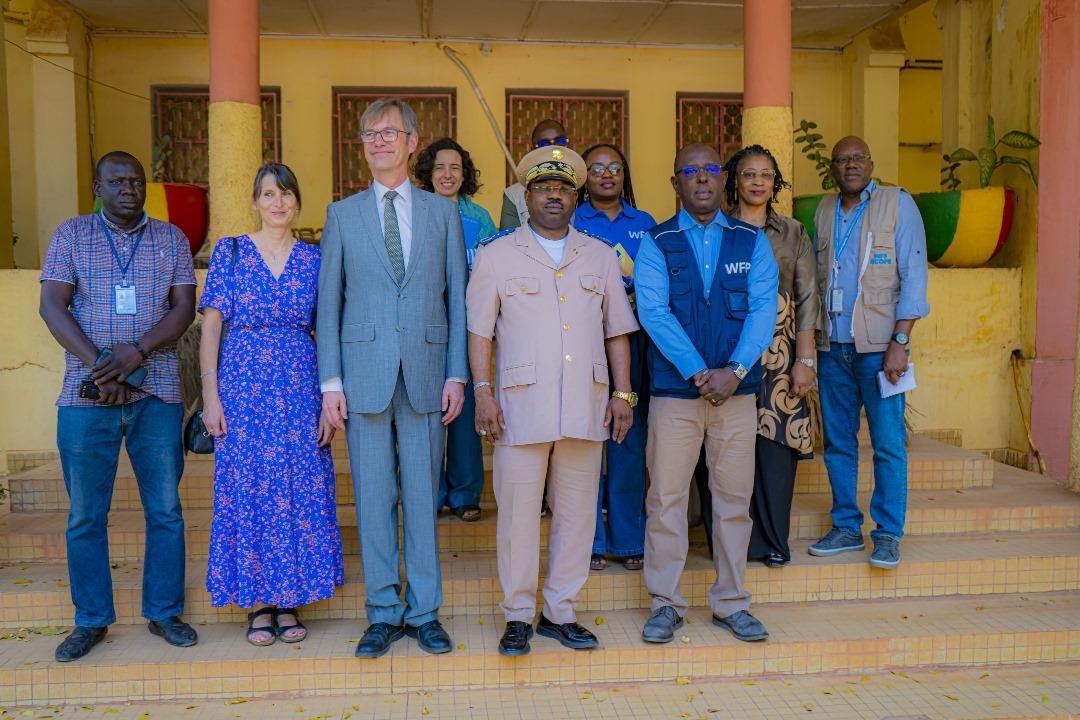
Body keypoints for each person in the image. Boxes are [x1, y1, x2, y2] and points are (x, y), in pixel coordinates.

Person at [466, 145, 638, 657]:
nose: (554, 197)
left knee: (578, 514)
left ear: (575, 195)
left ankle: (559, 612)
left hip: (587, 405)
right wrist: (481, 392)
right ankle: (517, 615)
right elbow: (479, 333)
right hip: (520, 406)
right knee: (518, 515)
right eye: (543, 188)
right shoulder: (496, 255)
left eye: (563, 188)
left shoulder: (600, 254)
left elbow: (617, 334)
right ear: (526, 195)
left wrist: (623, 393)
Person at [317, 98, 468, 658]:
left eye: (389, 132)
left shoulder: (441, 212)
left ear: (411, 141)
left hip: (429, 374)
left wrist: (458, 373)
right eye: (368, 134)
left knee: (423, 495)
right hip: (362, 376)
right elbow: (327, 305)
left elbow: (458, 301)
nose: (378, 141)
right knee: (374, 495)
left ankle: (425, 610)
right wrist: (330, 383)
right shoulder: (342, 214)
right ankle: (383, 611)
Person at [38, 151, 197, 662]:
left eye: (136, 181)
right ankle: (90, 620)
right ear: (97, 187)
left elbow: (183, 310)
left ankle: (164, 611)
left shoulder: (171, 239)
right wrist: (102, 365)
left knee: (166, 510)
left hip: (159, 394)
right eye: (117, 181)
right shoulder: (70, 235)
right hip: (86, 397)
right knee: (86, 515)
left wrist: (137, 354)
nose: (129, 188)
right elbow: (51, 305)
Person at [635, 143, 778, 645]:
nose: (701, 178)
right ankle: (665, 603)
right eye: (689, 171)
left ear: (726, 181)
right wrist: (701, 372)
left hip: (737, 396)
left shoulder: (750, 241)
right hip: (677, 395)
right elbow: (653, 312)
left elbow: (764, 310)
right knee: (667, 498)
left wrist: (735, 371)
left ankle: (732, 602)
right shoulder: (657, 242)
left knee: (733, 500)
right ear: (674, 183)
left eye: (710, 170)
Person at [199, 163, 344, 646]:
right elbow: (212, 329)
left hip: (300, 383)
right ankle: (259, 602)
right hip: (241, 385)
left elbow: (327, 331)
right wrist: (210, 398)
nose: (278, 202)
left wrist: (329, 398)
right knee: (250, 487)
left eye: (285, 194)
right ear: (255, 201)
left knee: (298, 488)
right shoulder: (231, 251)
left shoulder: (313, 258)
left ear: (297, 201)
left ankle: (290, 599)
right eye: (267, 194)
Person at [808, 136, 930, 569]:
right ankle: (845, 526)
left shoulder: (898, 204)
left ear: (871, 163)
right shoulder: (823, 210)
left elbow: (914, 275)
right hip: (831, 347)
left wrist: (900, 341)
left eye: (858, 157)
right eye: (842, 160)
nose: (851, 165)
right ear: (833, 168)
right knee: (838, 442)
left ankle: (887, 533)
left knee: (887, 443)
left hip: (879, 350)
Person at [722, 145, 820, 568]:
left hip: (780, 350)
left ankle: (773, 541)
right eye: (749, 174)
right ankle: (732, 543)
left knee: (775, 445)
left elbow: (807, 297)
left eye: (766, 174)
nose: (758, 182)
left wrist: (806, 360)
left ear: (775, 182)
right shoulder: (718, 228)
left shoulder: (793, 232)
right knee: (730, 444)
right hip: (727, 343)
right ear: (735, 181)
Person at [571, 143, 656, 573]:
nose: (606, 175)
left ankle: (627, 538)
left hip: (633, 343)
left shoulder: (645, 224)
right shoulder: (570, 220)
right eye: (597, 168)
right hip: (582, 344)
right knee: (587, 442)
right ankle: (592, 538)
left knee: (627, 439)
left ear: (625, 176)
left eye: (615, 168)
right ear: (583, 177)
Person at [414, 137, 497, 522]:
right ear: (428, 173)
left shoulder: (478, 218)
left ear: (465, 175)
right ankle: (427, 492)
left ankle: (464, 493)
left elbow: (494, 272)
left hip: (468, 326)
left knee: (464, 415)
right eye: (440, 168)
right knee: (426, 411)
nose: (447, 175)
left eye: (455, 168)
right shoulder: (412, 213)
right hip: (423, 326)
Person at [500, 119, 569, 230]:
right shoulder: (514, 195)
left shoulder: (580, 187)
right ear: (532, 150)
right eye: (544, 144)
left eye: (560, 141)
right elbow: (508, 241)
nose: (552, 148)